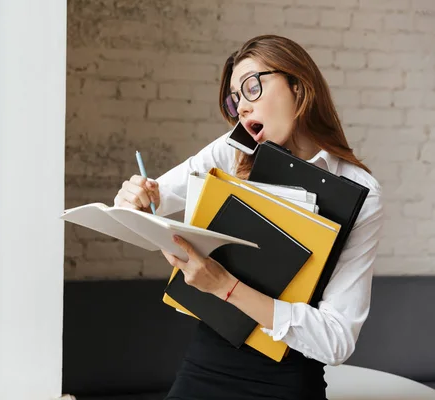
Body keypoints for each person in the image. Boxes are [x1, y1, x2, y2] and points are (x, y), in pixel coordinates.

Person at [113, 35, 384, 400]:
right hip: (206, 365)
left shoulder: (359, 191)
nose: (241, 107)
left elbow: (336, 341)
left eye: (252, 87)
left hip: (287, 381)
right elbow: (152, 201)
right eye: (234, 99)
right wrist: (134, 199)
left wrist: (223, 286)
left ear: (298, 87)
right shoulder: (233, 150)